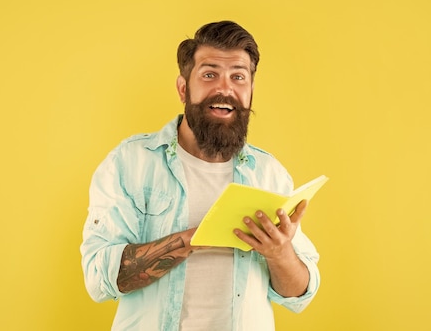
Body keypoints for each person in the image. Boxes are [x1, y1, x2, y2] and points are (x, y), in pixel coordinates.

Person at [80, 20, 320, 330]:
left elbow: (299, 295)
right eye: (209, 75)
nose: (225, 88)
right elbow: (99, 279)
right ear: (183, 88)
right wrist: (193, 239)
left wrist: (280, 253)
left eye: (238, 77)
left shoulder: (268, 174)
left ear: (250, 90)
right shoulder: (130, 163)